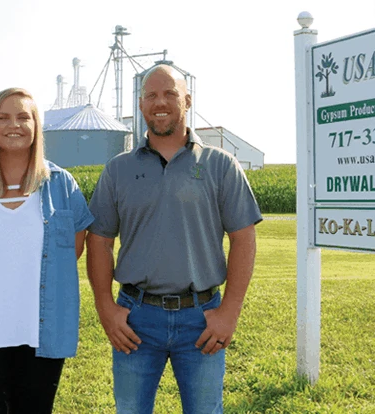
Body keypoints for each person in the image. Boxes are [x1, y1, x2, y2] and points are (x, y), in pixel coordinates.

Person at [86, 64, 262, 414]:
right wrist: (106, 307)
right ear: (141, 105)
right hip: (135, 319)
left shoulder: (220, 165)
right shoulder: (118, 169)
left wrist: (229, 311)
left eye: (169, 94)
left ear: (187, 101)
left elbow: (243, 238)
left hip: (201, 319)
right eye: (151, 95)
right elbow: (99, 241)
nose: (159, 102)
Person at [0, 87, 94, 413]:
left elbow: (75, 246)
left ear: (36, 125)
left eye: (24, 117)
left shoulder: (61, 184)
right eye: (4, 117)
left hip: (42, 333)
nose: (15, 125)